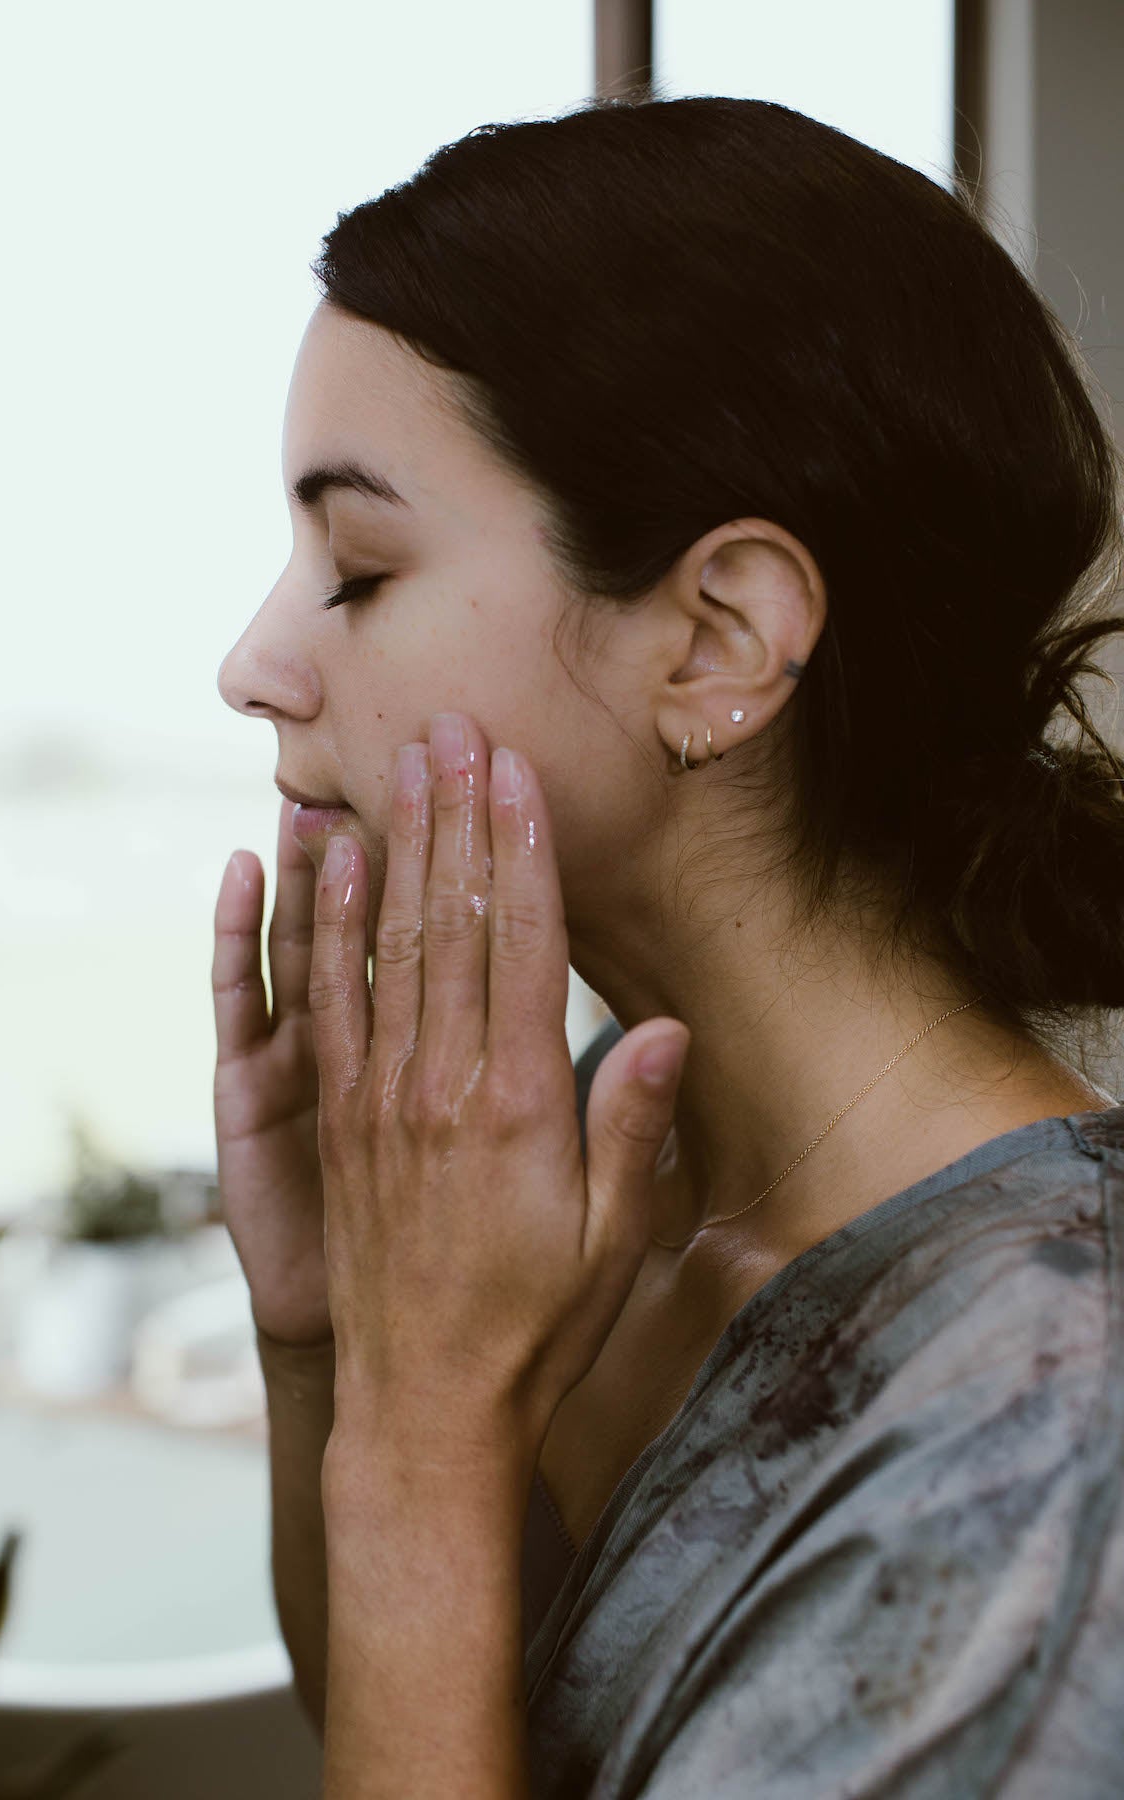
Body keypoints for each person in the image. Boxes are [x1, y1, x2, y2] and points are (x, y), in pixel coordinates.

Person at [212, 93, 1124, 1796]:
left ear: (717, 640)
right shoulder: (579, 1165)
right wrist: (334, 1343)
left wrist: (421, 1451)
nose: (253, 660)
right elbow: (413, 1727)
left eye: (354, 565)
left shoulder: (1056, 1431)